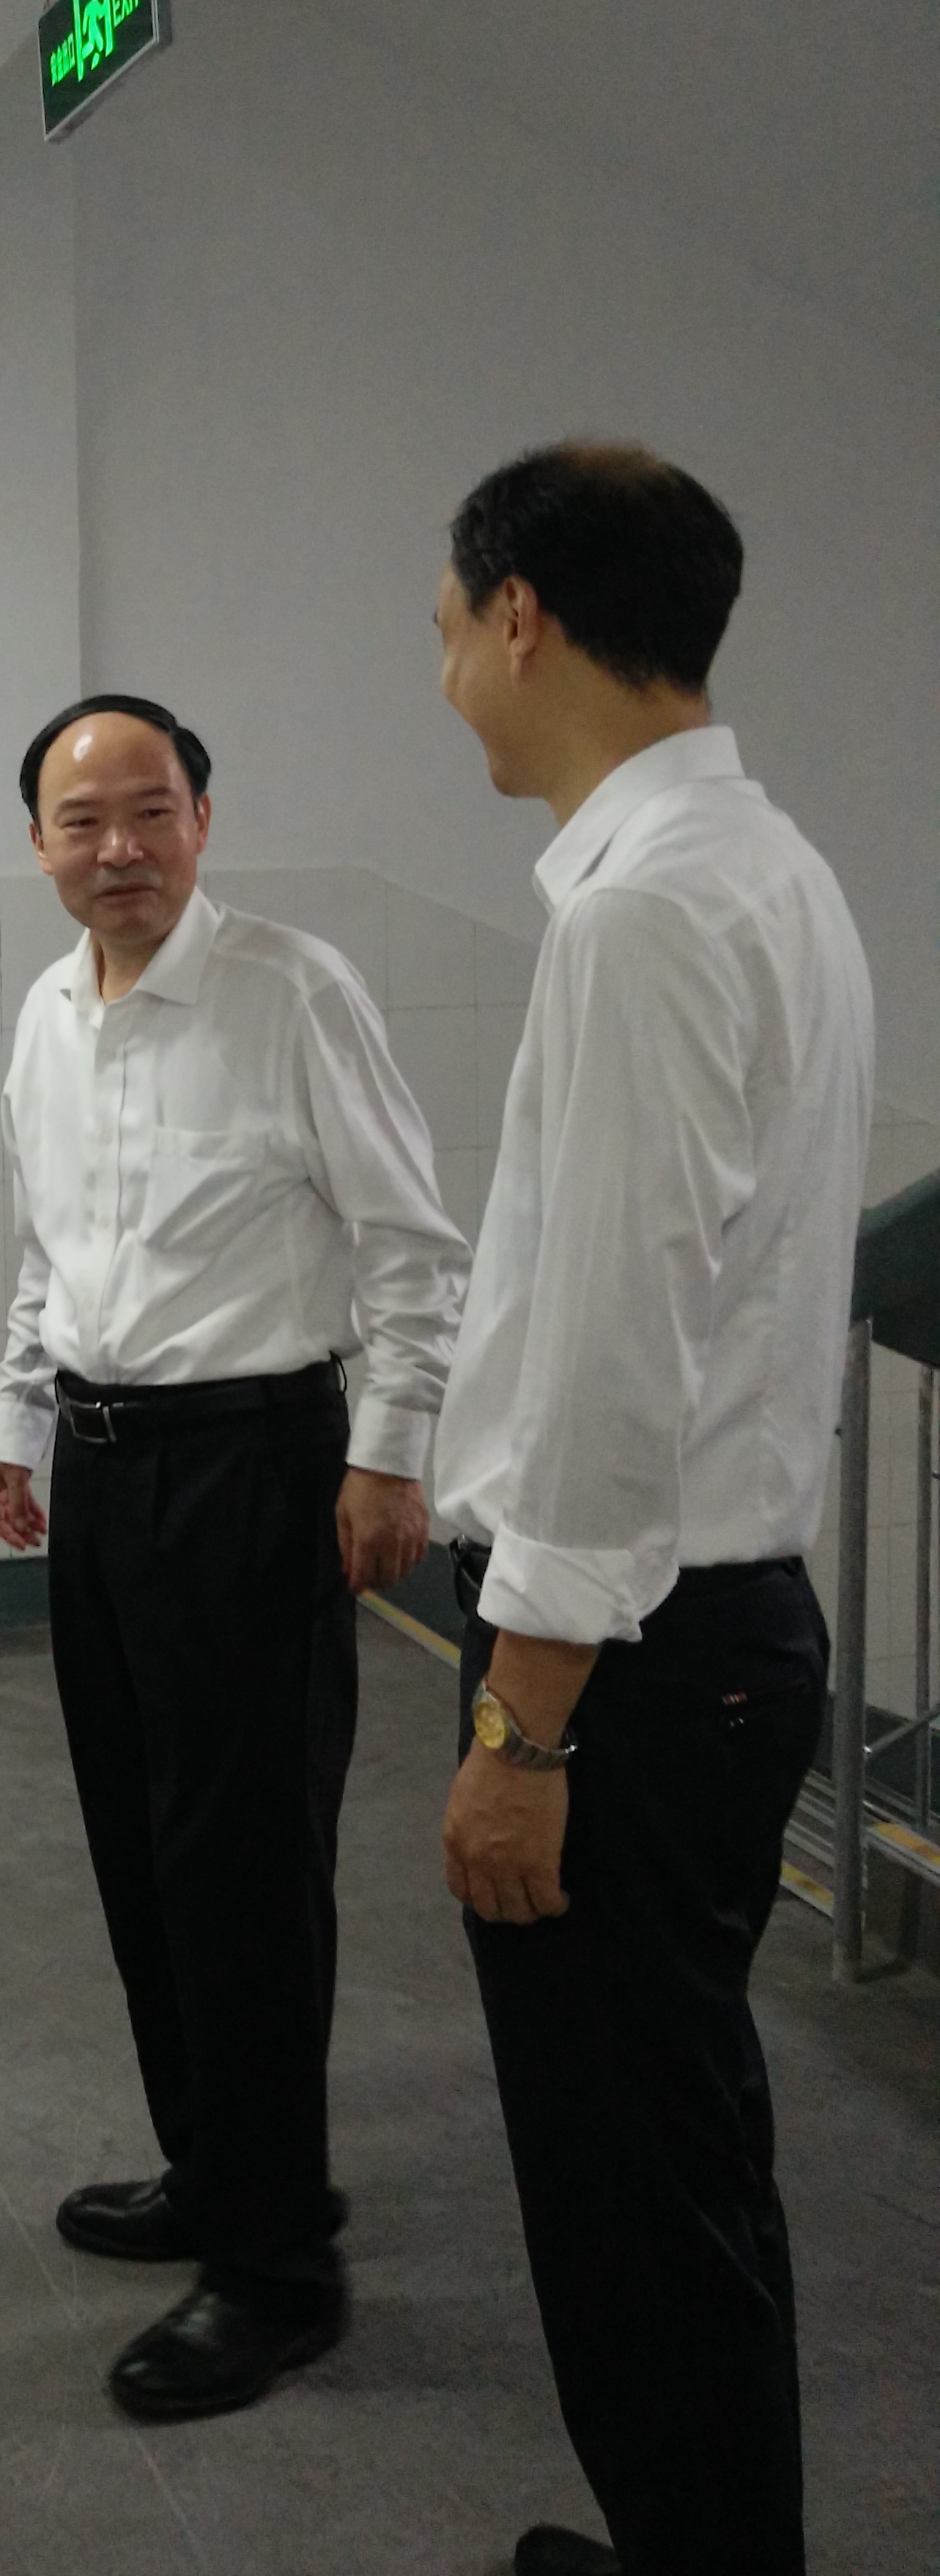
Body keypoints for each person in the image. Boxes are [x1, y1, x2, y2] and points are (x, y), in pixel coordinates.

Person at [432, 445, 872, 2576]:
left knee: (635, 2194)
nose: (445, 672)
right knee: (669, 2163)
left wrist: (522, 1729)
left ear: (522, 616)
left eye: (447, 628)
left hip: (633, 1657)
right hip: (698, 1631)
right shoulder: (756, 867)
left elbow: (616, 1357)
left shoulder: (647, 910)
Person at [0, 694, 470, 2421]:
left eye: (150, 810)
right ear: (38, 842)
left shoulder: (292, 991)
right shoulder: (47, 1012)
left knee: (247, 1871)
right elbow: (46, 1246)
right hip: (105, 1470)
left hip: (255, 1469)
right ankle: (215, 2166)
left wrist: (389, 1450)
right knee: (142, 1842)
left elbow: (412, 1244)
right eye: (81, 820)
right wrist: (17, 1416)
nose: (117, 848)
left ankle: (279, 2269)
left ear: (203, 818)